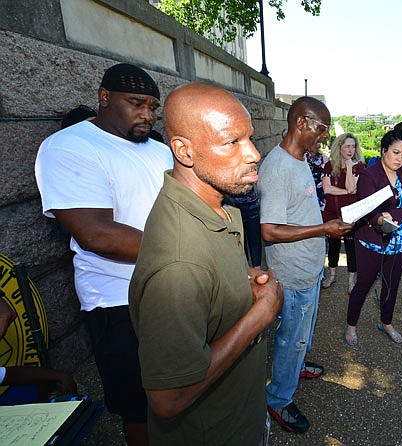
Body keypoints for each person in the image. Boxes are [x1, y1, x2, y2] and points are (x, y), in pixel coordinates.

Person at [128, 83, 283, 445]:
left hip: (239, 416)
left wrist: (245, 280)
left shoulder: (222, 207)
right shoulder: (179, 265)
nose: (254, 154)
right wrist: (259, 316)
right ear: (184, 151)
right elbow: (169, 398)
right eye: (232, 142)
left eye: (250, 138)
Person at [34, 63, 173, 445]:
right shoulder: (69, 146)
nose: (147, 113)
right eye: (136, 103)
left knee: (181, 388)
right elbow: (95, 232)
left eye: (152, 107)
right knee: (137, 403)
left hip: (174, 285)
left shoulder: (160, 151)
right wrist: (187, 251)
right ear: (104, 97)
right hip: (118, 300)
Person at [259, 96, 353, 434]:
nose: (325, 136)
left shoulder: (300, 160)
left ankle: (295, 367)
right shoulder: (277, 167)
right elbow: (268, 229)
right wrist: (324, 229)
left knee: (303, 335)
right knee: (290, 339)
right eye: (322, 128)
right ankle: (278, 400)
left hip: (309, 268)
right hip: (293, 274)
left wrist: (329, 223)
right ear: (301, 123)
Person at [344, 123, 402, 347]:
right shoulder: (369, 175)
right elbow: (370, 211)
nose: (400, 159)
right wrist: (380, 219)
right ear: (384, 150)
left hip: (399, 242)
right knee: (364, 284)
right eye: (396, 152)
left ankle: (386, 322)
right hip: (371, 242)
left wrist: (391, 214)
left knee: (392, 284)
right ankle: (351, 325)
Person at [322, 132, 365, 292]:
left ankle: (351, 279)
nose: (351, 150)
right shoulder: (329, 165)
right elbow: (327, 188)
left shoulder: (358, 166)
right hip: (332, 211)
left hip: (351, 212)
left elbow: (352, 187)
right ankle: (332, 275)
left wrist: (348, 167)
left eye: (353, 146)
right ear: (339, 147)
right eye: (347, 146)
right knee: (332, 244)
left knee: (350, 246)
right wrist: (348, 192)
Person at [229, 185, 263, 267]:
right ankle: (245, 268)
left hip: (252, 209)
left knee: (255, 241)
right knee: (240, 241)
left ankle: (257, 269)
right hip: (234, 208)